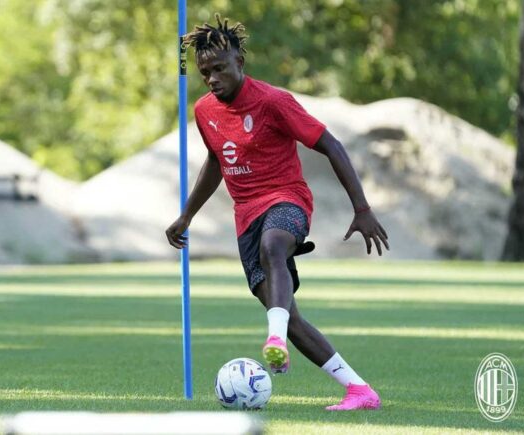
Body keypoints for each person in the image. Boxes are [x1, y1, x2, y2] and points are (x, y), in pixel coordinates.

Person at [165, 14, 389, 411]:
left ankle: (273, 338)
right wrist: (186, 216)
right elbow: (216, 162)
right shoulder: (205, 111)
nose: (212, 79)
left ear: (240, 64)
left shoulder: (273, 102)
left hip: (288, 200)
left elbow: (331, 145)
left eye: (219, 69)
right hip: (245, 217)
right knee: (290, 317)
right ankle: (359, 390)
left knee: (274, 247)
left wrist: (363, 208)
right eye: (204, 73)